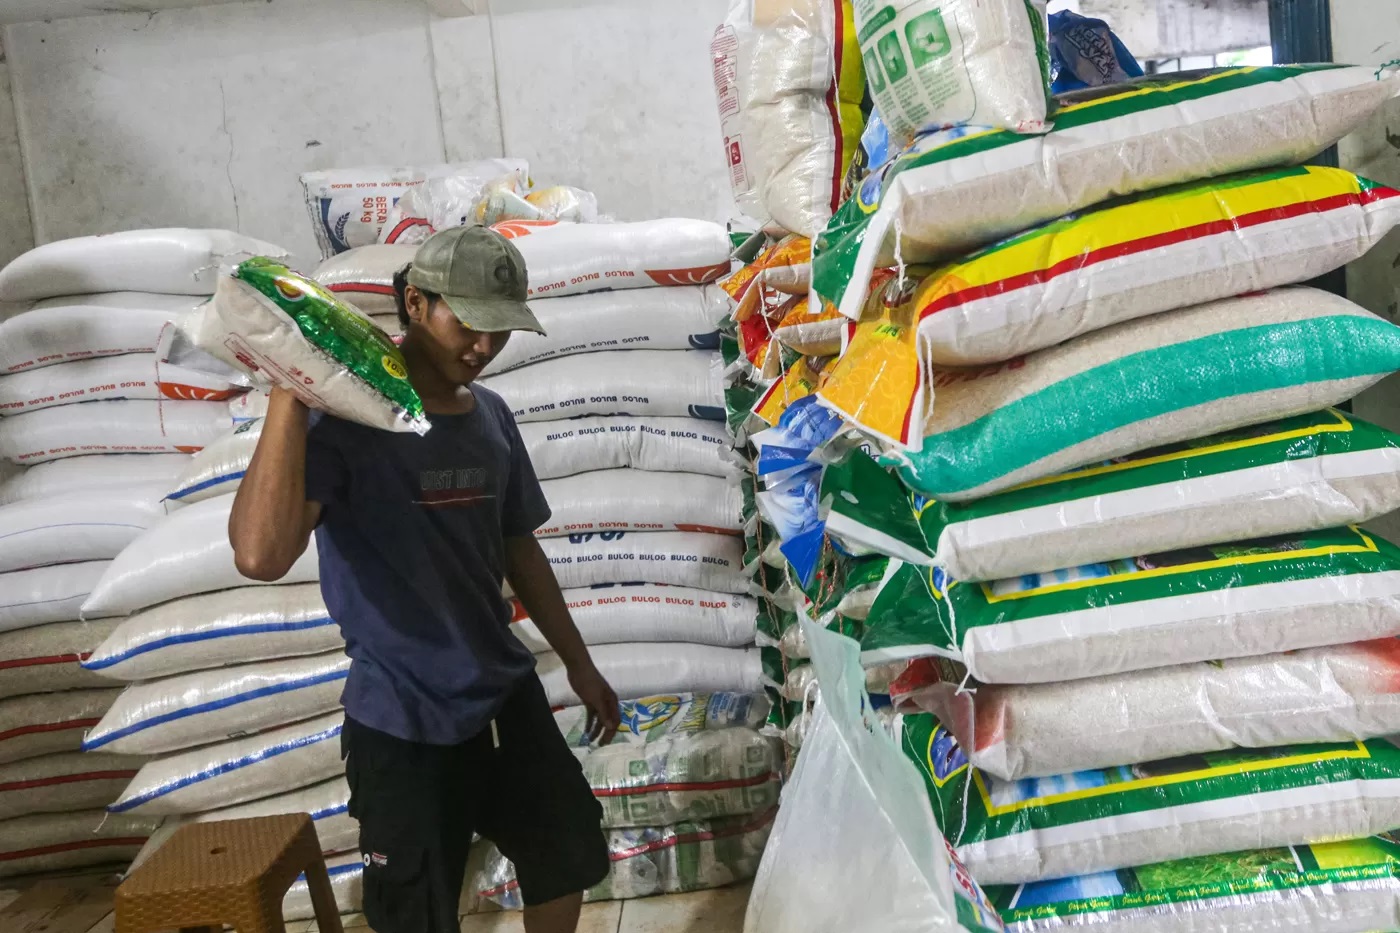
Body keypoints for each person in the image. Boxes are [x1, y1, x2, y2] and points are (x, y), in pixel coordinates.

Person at [228, 226, 620, 933]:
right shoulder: (342, 422)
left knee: (565, 848)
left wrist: (581, 663)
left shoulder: (492, 417)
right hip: (402, 718)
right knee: (415, 909)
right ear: (415, 302)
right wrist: (291, 391)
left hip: (503, 696)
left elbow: (518, 548)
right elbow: (260, 555)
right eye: (469, 325)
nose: (483, 348)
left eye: (500, 332)